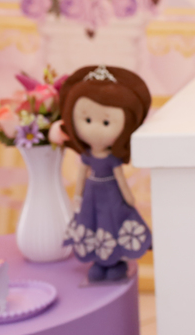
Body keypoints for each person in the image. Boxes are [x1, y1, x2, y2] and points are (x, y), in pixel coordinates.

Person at [58, 65, 153, 282]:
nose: (95, 129)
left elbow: (120, 178)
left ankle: (116, 262)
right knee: (92, 223)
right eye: (87, 120)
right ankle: (99, 262)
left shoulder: (112, 160)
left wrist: (128, 198)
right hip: (91, 196)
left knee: (113, 223)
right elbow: (81, 176)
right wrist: (77, 196)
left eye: (106, 122)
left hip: (112, 195)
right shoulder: (88, 157)